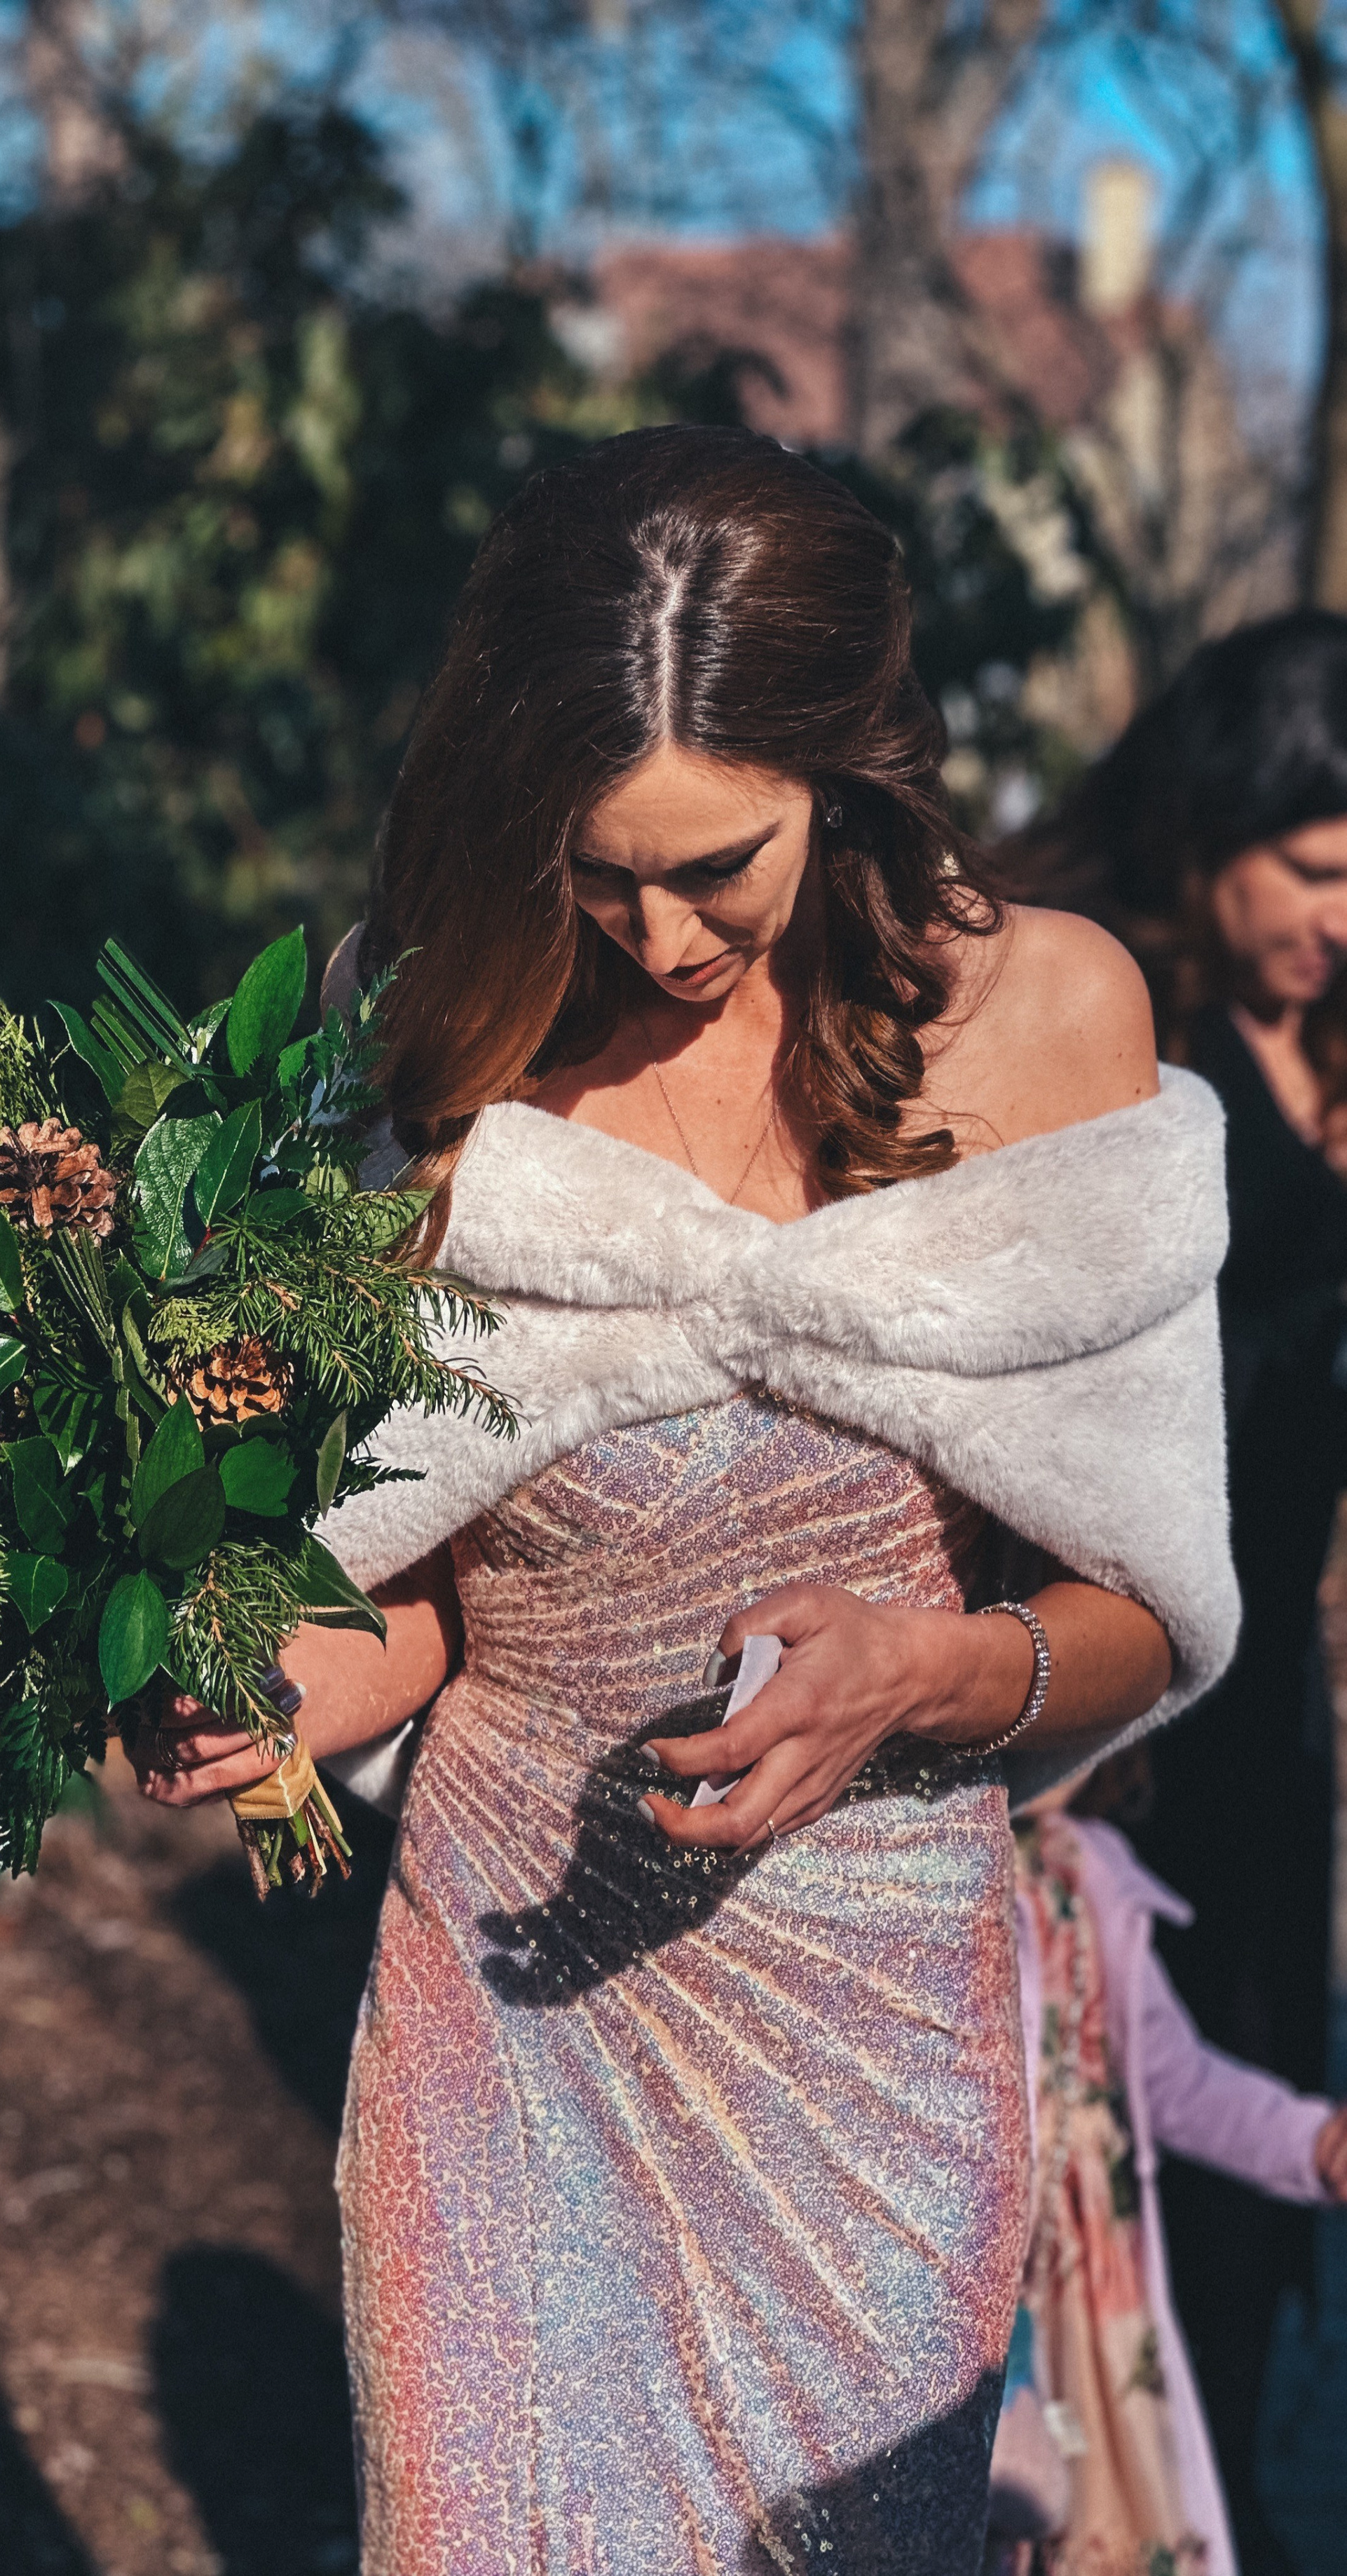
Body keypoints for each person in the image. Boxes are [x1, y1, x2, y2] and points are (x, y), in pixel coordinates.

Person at [132, 428, 1237, 2575]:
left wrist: (923, 1669)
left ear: (849, 768)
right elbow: (433, 1585)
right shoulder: (434, 1022)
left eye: (714, 861)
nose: (653, 932)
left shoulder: (1053, 1019)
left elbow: (1138, 1608)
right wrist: (265, 1693)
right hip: (502, 2016)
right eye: (590, 865)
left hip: (873, 2037)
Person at [1002, 614, 1347, 2571]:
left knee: (1237, 2143)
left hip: (1267, 1689)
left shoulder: (1333, 1032)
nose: (1342, 914)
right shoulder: (1107, 1026)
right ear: (1219, 822)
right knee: (1093, 2153)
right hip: (1107, 1684)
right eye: (1315, 866)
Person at [997, 1759, 1347, 2576]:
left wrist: (1313, 2142)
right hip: (982, 2292)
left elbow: (1177, 2083)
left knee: (1094, 2519)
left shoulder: (1085, 1875)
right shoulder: (930, 1878)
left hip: (1091, 2301)